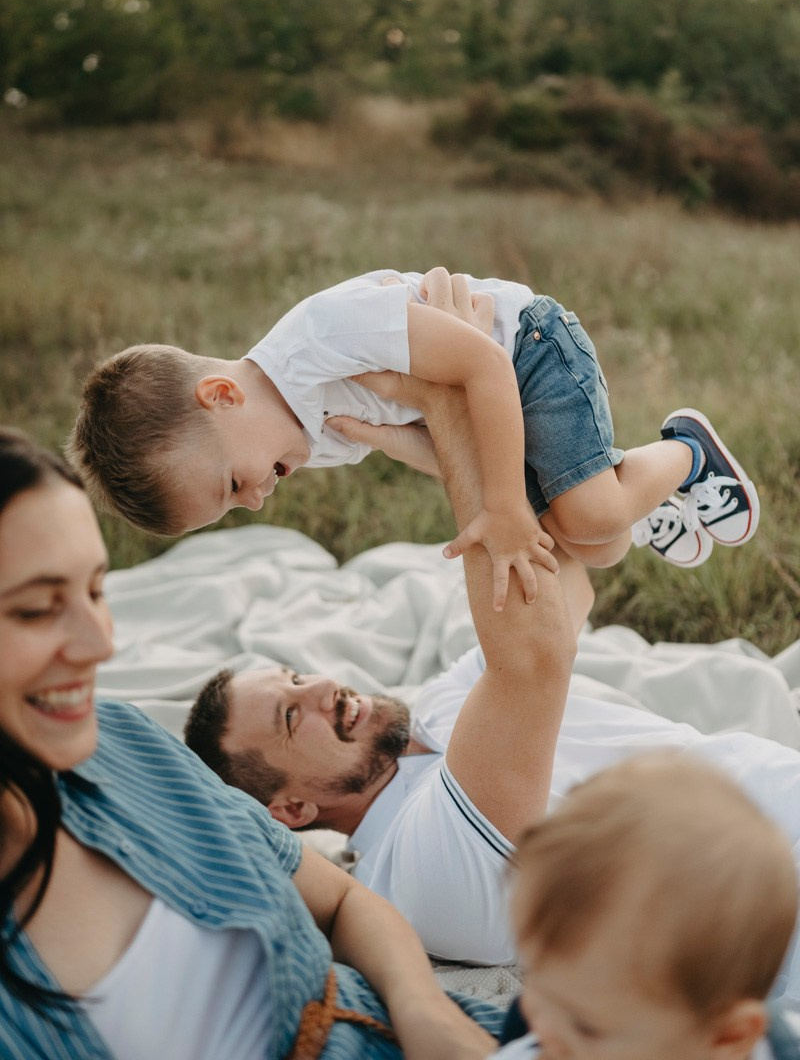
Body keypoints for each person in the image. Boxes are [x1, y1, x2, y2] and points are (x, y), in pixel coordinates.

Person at [183, 279, 800, 1008]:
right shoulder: (414, 874)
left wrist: (451, 440)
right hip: (777, 913)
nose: (317, 690)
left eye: (293, 677)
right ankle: (684, 458)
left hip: (775, 791)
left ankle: (678, 464)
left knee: (588, 531)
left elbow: (564, 591)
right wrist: (450, 401)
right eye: (292, 717)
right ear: (288, 811)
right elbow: (533, 657)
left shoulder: (442, 704)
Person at [0, 425, 509, 1060]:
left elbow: (340, 902)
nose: (100, 643)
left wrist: (422, 1008)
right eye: (34, 610)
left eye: (97, 590)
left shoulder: (124, 743)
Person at [66, 267, 758, 611]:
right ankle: (652, 493)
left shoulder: (321, 338)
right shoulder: (309, 436)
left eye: (232, 484)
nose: (255, 501)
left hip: (527, 351)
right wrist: (495, 502)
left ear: (222, 396)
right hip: (482, 410)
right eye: (234, 507)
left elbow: (481, 364)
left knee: (590, 518)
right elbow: (428, 439)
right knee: (597, 547)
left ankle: (690, 451)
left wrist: (509, 510)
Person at [493, 753, 800, 1060]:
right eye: (532, 977)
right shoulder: (546, 1029)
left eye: (586, 1028)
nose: (543, 1030)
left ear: (727, 1039)